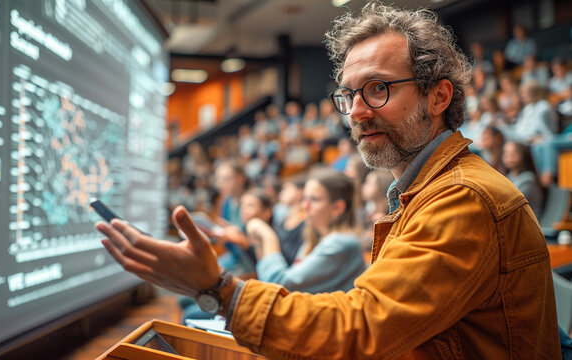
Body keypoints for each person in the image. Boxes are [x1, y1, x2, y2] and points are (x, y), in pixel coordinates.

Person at [96, 2, 560, 358]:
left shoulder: (465, 198)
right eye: (349, 95)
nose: (357, 112)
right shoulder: (429, 189)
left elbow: (364, 328)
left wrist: (221, 291)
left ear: (438, 96)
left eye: (378, 88)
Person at [246, 168, 365, 293]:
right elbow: (269, 280)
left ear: (337, 207)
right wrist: (259, 243)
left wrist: (268, 236)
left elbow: (280, 285)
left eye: (314, 199)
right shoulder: (314, 238)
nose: (304, 206)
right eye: (304, 198)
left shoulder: (342, 243)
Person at [502, 141, 545, 219]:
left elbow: (510, 203)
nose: (509, 156)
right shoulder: (508, 177)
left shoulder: (529, 179)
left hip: (528, 225)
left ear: (523, 155)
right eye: (506, 152)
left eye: (514, 152)